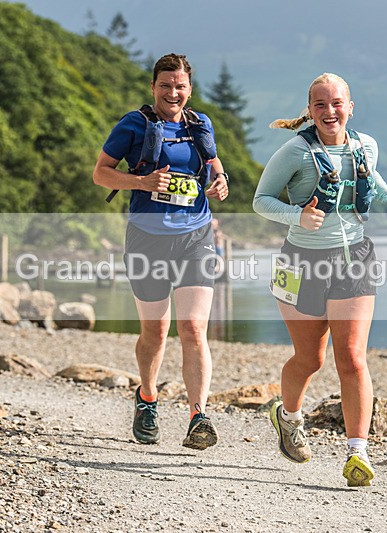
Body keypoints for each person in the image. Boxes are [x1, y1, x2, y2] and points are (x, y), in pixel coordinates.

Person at [252, 73, 387, 486]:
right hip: (301, 262)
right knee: (310, 359)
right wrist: (297, 215)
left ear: (350, 106)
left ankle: (357, 453)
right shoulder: (294, 152)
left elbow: (370, 180)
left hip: (355, 258)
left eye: (336, 103)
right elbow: (261, 200)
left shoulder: (366, 145)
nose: (329, 111)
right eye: (320, 105)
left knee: (353, 357)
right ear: (309, 110)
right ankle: (287, 417)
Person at [92, 53, 229, 450]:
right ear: (153, 88)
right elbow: (100, 172)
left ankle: (198, 416)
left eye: (180, 86)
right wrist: (141, 181)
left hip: (196, 236)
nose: (173, 92)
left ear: (189, 89)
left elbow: (216, 166)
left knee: (193, 327)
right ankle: (148, 398)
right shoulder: (134, 124)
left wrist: (221, 182)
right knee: (156, 329)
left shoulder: (200, 124)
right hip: (147, 238)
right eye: (166, 85)